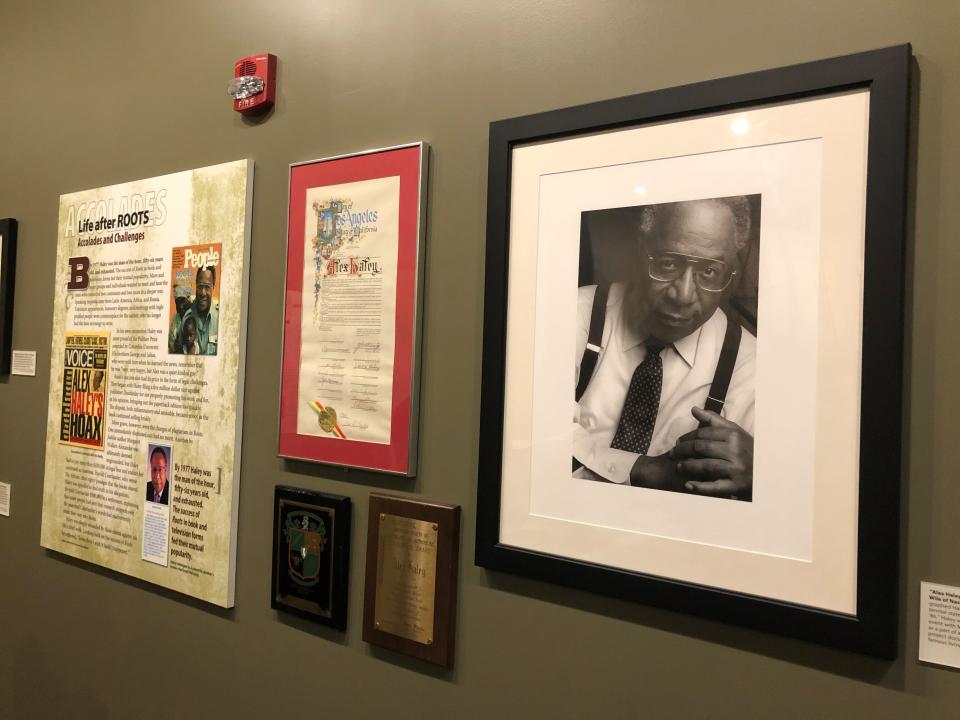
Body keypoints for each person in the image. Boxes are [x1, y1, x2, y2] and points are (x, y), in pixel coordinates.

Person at [573, 197, 755, 499]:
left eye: (710, 271)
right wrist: (641, 469)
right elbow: (530, 441)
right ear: (641, 249)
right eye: (668, 263)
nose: (683, 295)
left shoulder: (754, 367)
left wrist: (764, 476)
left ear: (730, 273)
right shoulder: (574, 315)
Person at [168, 265, 219, 355]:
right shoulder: (186, 318)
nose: (203, 293)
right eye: (200, 286)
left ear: (213, 287)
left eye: (207, 287)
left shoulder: (220, 316)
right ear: (195, 285)